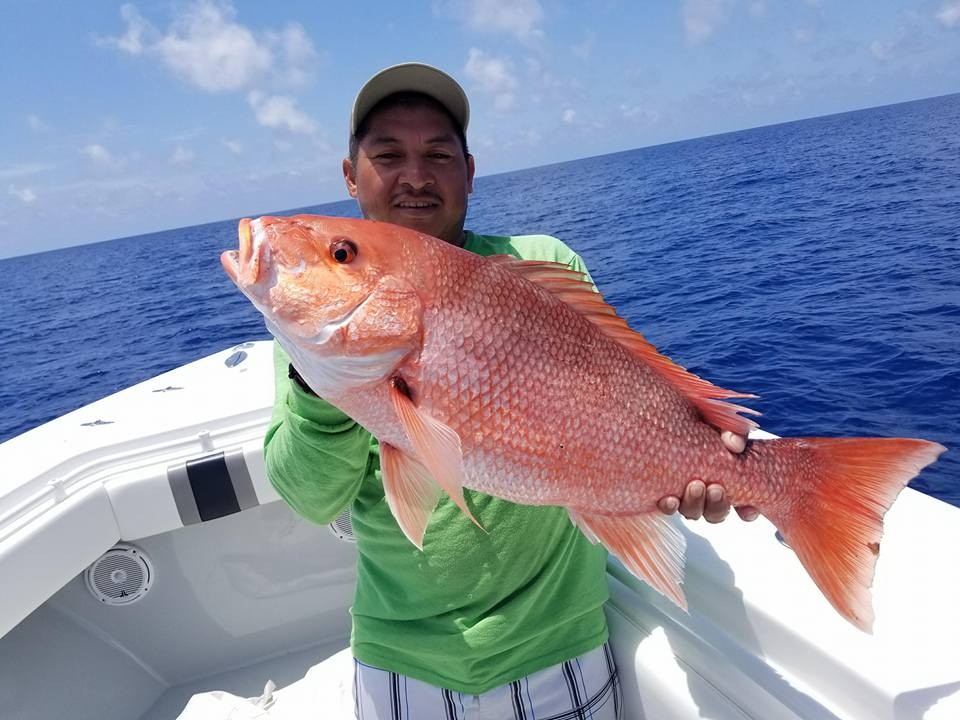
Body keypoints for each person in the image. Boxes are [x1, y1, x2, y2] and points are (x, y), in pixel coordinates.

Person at [264, 62, 756, 719]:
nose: (415, 175)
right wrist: (320, 385)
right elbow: (307, 495)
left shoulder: (543, 265)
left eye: (438, 154)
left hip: (560, 650)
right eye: (388, 155)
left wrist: (700, 455)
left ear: (469, 171)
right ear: (351, 176)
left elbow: (624, 394)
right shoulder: (311, 343)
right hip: (399, 664)